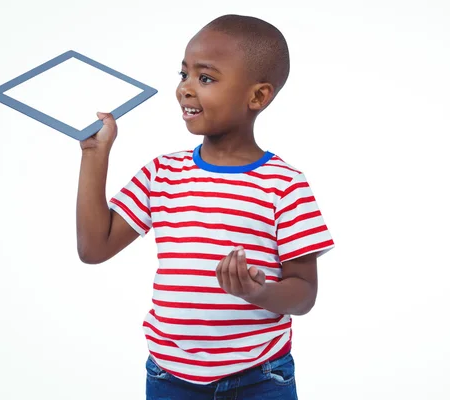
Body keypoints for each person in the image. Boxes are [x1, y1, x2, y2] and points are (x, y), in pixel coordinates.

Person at [76, 14, 334, 400]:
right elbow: (94, 248)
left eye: (206, 78)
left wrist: (257, 293)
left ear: (258, 96)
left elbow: (305, 293)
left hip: (260, 377)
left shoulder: (285, 185)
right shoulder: (162, 173)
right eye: (183, 75)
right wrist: (95, 155)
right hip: (168, 375)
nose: (185, 90)